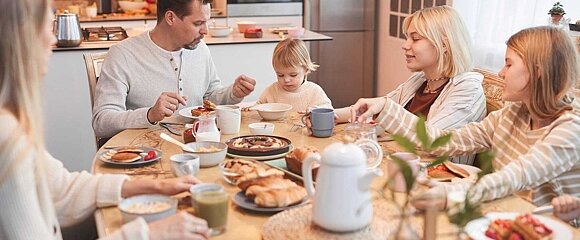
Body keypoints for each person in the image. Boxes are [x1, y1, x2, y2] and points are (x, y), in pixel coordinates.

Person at [0, 0, 210, 239]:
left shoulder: (11, 123)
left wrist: (154, 185)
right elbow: (102, 120)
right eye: (46, 29)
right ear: (17, 39)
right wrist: (149, 234)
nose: (53, 40)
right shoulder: (6, 137)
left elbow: (61, 190)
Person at [352, 26, 579, 209]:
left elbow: (514, 176)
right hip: (505, 217)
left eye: (509, 64)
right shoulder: (513, 114)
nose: (500, 73)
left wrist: (449, 196)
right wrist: (385, 107)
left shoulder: (570, 129)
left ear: (538, 71)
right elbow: (440, 140)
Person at [333, 6, 486, 165]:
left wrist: (385, 107)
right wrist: (332, 116)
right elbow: (377, 108)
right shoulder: (420, 80)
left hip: (438, 180)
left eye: (415, 38)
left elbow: (433, 142)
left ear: (444, 45)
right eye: (407, 38)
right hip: (401, 167)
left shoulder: (468, 88)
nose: (405, 45)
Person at [92, 0, 256, 139]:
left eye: (206, 22)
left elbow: (209, 99)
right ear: (170, 18)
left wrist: (233, 93)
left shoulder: (200, 48)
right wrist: (149, 114)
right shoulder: (123, 55)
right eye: (198, 23)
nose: (205, 31)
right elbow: (101, 122)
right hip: (145, 156)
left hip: (199, 147)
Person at [254, 38, 332, 113]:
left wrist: (315, 110)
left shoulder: (314, 91)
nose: (286, 80)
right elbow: (258, 107)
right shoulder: (272, 90)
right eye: (280, 75)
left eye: (293, 75)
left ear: (306, 69)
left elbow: (328, 109)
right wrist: (252, 109)